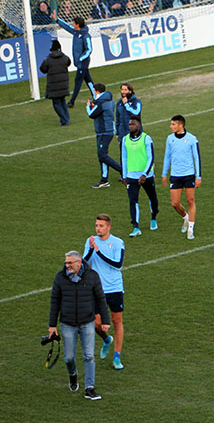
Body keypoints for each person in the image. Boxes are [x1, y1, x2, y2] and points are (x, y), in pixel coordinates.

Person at [49, 250, 110, 400]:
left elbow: (100, 298)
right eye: (66, 262)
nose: (67, 265)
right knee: (69, 358)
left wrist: (105, 321)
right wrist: (52, 326)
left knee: (89, 356)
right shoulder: (60, 277)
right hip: (67, 323)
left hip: (87, 322)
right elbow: (55, 301)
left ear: (79, 262)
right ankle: (73, 375)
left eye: (70, 263)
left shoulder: (92, 276)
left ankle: (90, 388)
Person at [82, 214, 126, 370]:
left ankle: (117, 356)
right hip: (97, 289)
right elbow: (83, 264)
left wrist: (99, 252)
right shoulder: (90, 241)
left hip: (114, 288)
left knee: (116, 321)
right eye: (96, 225)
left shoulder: (118, 242)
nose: (98, 228)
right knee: (96, 323)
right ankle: (107, 339)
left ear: (109, 227)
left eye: (101, 226)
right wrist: (91, 249)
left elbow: (118, 264)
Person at [161, 115, 202, 240]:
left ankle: (190, 229)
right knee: (175, 203)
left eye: (173, 124)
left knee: (190, 201)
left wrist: (198, 176)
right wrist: (164, 173)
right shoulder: (170, 139)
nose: (171, 126)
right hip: (175, 175)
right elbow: (167, 156)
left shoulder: (192, 139)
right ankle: (186, 217)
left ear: (181, 125)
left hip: (189, 174)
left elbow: (197, 158)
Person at [121, 115, 159, 237]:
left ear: (139, 125)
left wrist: (144, 174)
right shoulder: (125, 140)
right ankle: (136, 227)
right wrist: (124, 175)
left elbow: (151, 157)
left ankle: (153, 217)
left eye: (133, 124)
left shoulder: (146, 139)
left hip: (146, 176)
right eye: (129, 124)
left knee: (153, 198)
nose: (131, 126)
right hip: (132, 175)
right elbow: (124, 158)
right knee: (133, 200)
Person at [52, 12, 94, 108]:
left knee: (78, 81)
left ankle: (72, 101)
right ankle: (95, 96)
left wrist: (80, 58)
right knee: (88, 79)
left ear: (78, 25)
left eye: (74, 23)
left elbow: (89, 49)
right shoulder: (76, 32)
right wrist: (57, 20)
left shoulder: (85, 35)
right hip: (79, 63)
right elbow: (67, 27)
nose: (72, 24)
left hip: (83, 63)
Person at [86, 82, 123, 188]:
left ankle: (121, 170)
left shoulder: (101, 102)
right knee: (101, 155)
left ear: (97, 91)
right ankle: (104, 179)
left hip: (104, 131)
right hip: (107, 130)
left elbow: (91, 114)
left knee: (102, 155)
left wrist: (88, 107)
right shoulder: (110, 101)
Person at [39, 39, 71, 126]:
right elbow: (69, 63)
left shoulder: (48, 60)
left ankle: (64, 120)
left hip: (53, 85)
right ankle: (66, 119)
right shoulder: (65, 58)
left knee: (56, 103)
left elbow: (42, 69)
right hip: (64, 84)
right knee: (62, 101)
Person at [115, 82, 143, 151]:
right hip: (122, 134)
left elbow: (136, 112)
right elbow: (117, 118)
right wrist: (117, 133)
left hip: (134, 132)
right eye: (122, 90)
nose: (123, 92)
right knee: (123, 154)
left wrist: (126, 104)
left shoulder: (136, 102)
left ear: (130, 91)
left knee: (135, 153)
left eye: (125, 90)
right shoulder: (119, 103)